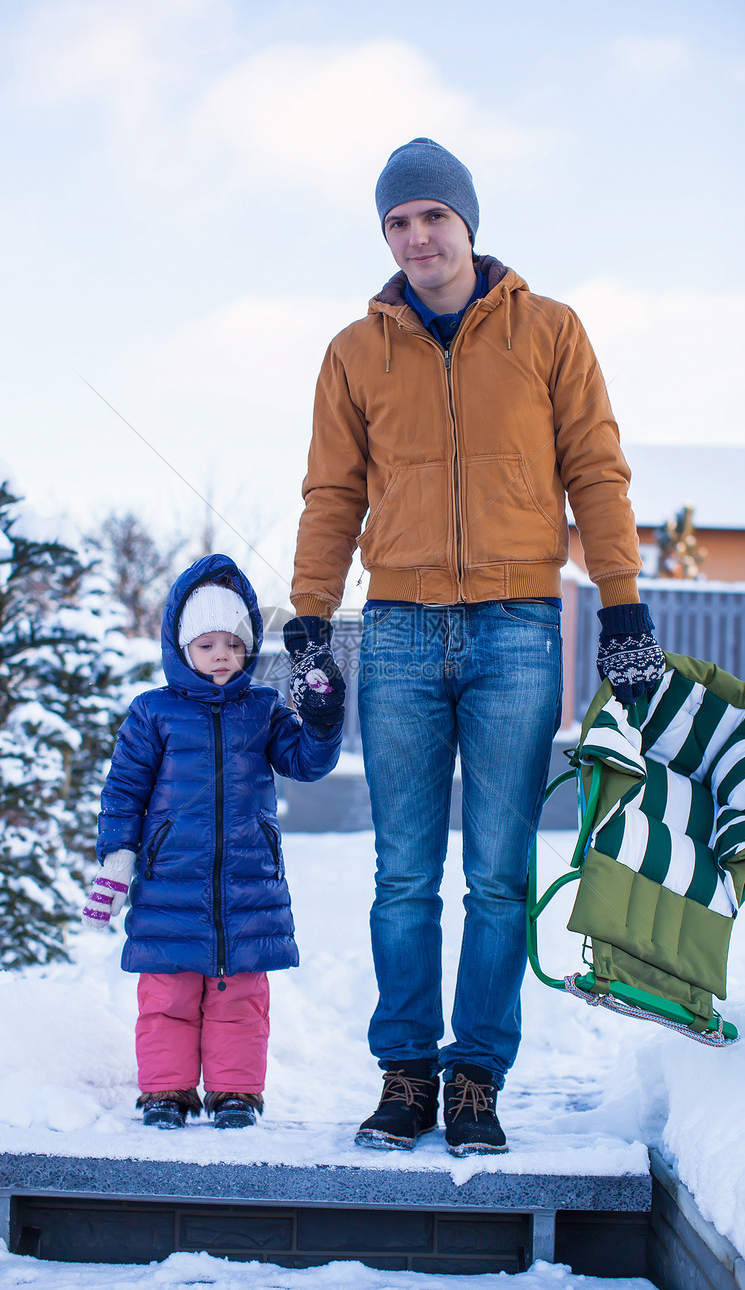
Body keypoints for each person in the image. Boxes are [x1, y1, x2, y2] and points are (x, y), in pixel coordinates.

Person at [284, 138, 664, 1156]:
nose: (415, 238)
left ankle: (476, 1079)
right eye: (396, 223)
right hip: (399, 632)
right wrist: (309, 623)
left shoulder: (547, 332)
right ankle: (406, 1072)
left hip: (515, 630)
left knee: (497, 876)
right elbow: (332, 494)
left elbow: (596, 469)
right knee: (401, 875)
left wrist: (621, 608)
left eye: (431, 219)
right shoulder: (352, 353)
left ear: (467, 224)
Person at [82, 553, 344, 1131]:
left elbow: (304, 762)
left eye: (233, 642)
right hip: (169, 884)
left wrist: (322, 722)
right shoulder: (153, 713)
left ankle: (235, 1094)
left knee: (239, 1002)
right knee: (167, 999)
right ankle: (166, 1092)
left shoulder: (264, 709)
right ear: (182, 648)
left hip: (247, 887)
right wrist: (118, 862)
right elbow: (123, 791)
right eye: (206, 644)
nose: (222, 655)